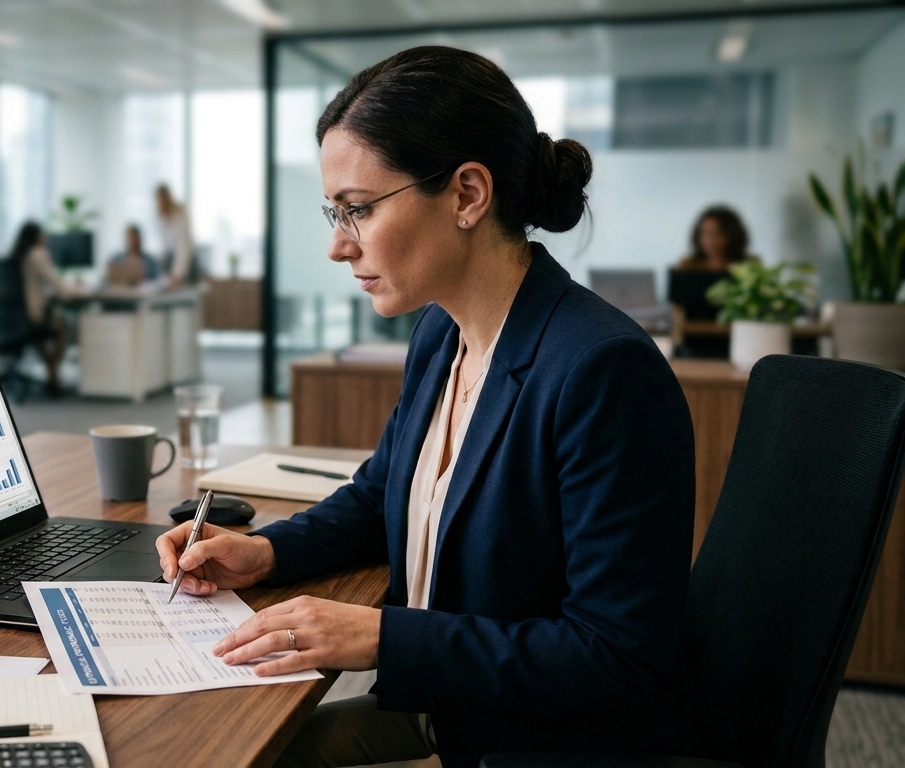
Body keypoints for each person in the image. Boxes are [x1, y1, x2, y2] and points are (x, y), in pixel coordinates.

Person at [155, 46, 695, 767]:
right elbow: (384, 493)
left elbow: (616, 656)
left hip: (534, 743)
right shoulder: (443, 329)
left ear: (468, 195)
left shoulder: (601, 370)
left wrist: (383, 637)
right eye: (334, 212)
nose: (338, 247)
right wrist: (267, 550)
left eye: (359, 210)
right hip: (451, 716)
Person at [11, 221, 77, 394]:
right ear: (37, 237)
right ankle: (53, 375)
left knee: (40, 336)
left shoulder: (16, 255)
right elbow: (58, 286)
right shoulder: (37, 254)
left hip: (14, 318)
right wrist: (72, 291)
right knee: (63, 326)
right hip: (33, 316)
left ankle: (52, 375)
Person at [676, 205, 759, 272]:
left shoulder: (750, 267)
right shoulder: (688, 267)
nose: (712, 241)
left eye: (718, 234)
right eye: (706, 234)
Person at [154, 184, 196, 285]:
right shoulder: (161, 219)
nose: (162, 203)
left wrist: (177, 274)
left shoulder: (181, 214)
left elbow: (183, 247)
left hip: (186, 265)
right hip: (170, 263)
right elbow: (165, 249)